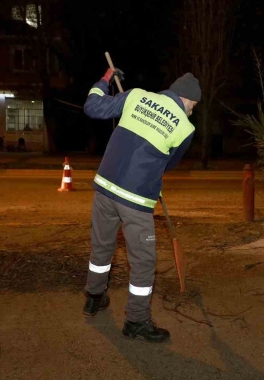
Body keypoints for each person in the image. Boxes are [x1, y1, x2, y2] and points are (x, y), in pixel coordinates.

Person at [82, 69, 200, 343]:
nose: (192, 111)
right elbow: (169, 163)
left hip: (104, 187)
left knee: (101, 249)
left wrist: (105, 78)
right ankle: (136, 321)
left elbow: (93, 106)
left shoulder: (135, 96)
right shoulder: (185, 128)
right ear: (187, 99)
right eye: (193, 106)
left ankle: (93, 298)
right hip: (135, 200)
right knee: (144, 262)